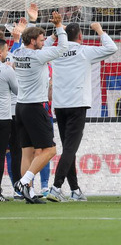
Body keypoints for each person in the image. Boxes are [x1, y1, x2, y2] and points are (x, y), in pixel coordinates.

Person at [45, 22, 118, 203]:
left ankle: (75, 190)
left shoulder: (56, 51)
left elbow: (43, 48)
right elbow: (111, 48)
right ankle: (56, 187)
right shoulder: (84, 51)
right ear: (80, 37)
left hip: (60, 106)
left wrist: (55, 35)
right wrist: (100, 31)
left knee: (69, 148)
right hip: (77, 105)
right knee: (70, 148)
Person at [13, 11, 69, 204]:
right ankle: (24, 182)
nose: (44, 42)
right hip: (35, 108)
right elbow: (62, 47)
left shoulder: (18, 52)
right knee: (50, 150)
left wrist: (36, 27)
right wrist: (60, 26)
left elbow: (40, 44)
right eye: (41, 39)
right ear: (33, 41)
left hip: (20, 108)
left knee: (27, 152)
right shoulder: (38, 57)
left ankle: (27, 192)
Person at [0, 37, 19, 202]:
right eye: (6, 50)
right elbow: (18, 90)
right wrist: (13, 69)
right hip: (3, 118)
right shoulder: (6, 70)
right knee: (3, 155)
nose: (7, 54)